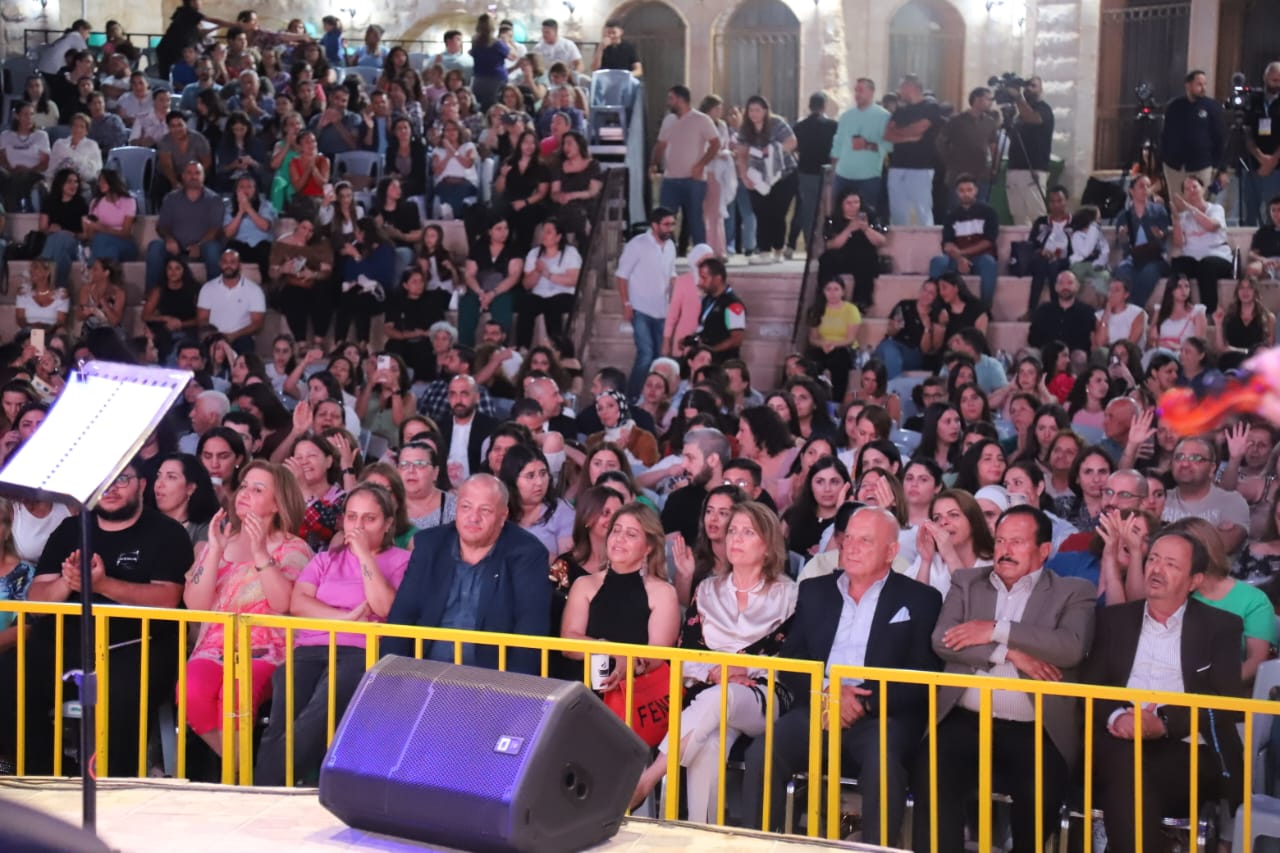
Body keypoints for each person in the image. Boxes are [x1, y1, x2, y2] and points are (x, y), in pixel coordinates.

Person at [742, 507, 942, 843]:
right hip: (820, 705)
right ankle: (753, 846)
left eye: (865, 541)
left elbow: (924, 673)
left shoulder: (920, 599)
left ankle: (877, 850)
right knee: (762, 753)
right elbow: (792, 659)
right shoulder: (815, 590)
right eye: (848, 538)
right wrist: (827, 692)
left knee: (883, 764)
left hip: (881, 714)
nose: (852, 547)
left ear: (891, 552)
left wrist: (863, 702)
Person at [911, 505, 1096, 853]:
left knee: (1040, 795)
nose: (1005, 550)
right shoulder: (968, 582)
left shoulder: (1073, 591)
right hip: (964, 719)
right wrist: (1008, 653)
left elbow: (1070, 647)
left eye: (1017, 542)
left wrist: (997, 628)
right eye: (999, 541)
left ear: (1044, 550)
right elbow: (942, 639)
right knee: (931, 774)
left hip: (1035, 726)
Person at [0, 458, 192, 776]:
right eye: (104, 482)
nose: (111, 489)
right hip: (66, 644)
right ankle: (45, 776)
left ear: (142, 485)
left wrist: (103, 585)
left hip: (138, 646)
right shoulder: (71, 530)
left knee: (119, 696)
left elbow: (167, 598)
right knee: (8, 679)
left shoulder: (167, 533)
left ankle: (114, 785)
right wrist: (68, 582)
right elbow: (36, 600)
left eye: (122, 480)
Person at [632, 501, 797, 821]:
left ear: (767, 545)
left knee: (722, 697)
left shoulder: (789, 594)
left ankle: (648, 778)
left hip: (765, 693)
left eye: (748, 532)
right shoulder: (707, 590)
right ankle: (702, 835)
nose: (736, 538)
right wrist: (713, 673)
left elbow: (791, 654)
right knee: (709, 743)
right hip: (710, 691)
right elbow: (685, 652)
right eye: (733, 531)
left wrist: (742, 670)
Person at [1082, 529, 1244, 853]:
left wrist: (1164, 723)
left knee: (1130, 781)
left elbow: (1224, 701)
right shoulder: (1113, 620)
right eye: (1153, 559)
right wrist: (1119, 716)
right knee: (1126, 765)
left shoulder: (1220, 627)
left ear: (1195, 580)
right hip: (1118, 739)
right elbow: (1090, 685)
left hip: (1187, 748)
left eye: (1171, 564)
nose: (1156, 569)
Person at [255, 483, 411, 786]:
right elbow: (299, 603)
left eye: (369, 519)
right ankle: (272, 784)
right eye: (352, 517)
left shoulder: (401, 560)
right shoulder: (325, 559)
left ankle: (265, 785)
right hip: (311, 645)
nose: (358, 526)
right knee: (285, 702)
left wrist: (364, 555)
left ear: (388, 523)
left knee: (321, 707)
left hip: (361, 649)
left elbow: (383, 606)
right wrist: (345, 618)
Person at [383, 475, 551, 674]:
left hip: (490, 679)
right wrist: (390, 677)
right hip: (425, 672)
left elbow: (530, 631)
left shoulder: (527, 554)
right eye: (466, 507)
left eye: (485, 510)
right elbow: (402, 615)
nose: (473, 518)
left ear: (503, 515)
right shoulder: (430, 546)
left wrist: (512, 688)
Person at [616, 206, 677, 396]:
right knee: (646, 354)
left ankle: (653, 397)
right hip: (640, 308)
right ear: (655, 225)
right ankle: (632, 396)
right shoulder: (637, 244)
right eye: (666, 224)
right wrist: (626, 304)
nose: (670, 228)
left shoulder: (670, 246)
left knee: (659, 358)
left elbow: (671, 274)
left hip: (662, 310)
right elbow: (622, 275)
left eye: (672, 224)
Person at [652, 85, 720, 248]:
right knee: (665, 218)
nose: (668, 102)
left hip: (694, 180)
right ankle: (665, 252)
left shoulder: (702, 120)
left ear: (681, 100)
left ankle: (701, 254)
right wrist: (653, 163)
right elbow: (661, 144)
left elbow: (715, 144)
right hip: (670, 179)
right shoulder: (668, 120)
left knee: (695, 218)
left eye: (671, 98)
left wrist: (701, 165)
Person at [735, 95, 797, 264]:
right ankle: (763, 251)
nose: (754, 114)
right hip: (757, 176)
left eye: (757, 110)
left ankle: (778, 249)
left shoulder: (777, 123)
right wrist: (744, 176)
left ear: (765, 111)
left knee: (777, 213)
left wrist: (772, 151)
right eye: (751, 110)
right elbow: (742, 154)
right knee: (760, 212)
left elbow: (792, 142)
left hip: (783, 175)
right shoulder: (745, 129)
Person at [146, 161, 226, 293]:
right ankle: (151, 295)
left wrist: (199, 245)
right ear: (182, 176)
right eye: (189, 173)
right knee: (155, 247)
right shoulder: (171, 198)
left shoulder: (214, 200)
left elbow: (215, 229)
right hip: (176, 246)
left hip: (204, 246)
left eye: (197, 173)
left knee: (213, 249)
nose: (193, 176)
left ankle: (215, 295)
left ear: (203, 176)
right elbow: (162, 226)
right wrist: (169, 239)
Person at [1162, 435, 1250, 554]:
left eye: (1195, 458)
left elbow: (1222, 547)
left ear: (1212, 468)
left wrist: (1165, 533)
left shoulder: (1232, 501)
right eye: (1179, 457)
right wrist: (1211, 533)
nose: (1185, 464)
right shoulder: (1159, 498)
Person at [928, 175, 1000, 305]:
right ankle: (936, 306)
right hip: (956, 260)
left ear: (976, 191)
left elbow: (989, 241)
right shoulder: (951, 216)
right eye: (962, 190)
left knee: (989, 263)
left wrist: (962, 253)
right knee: (938, 262)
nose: (966, 194)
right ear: (957, 193)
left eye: (969, 190)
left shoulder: (989, 212)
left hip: (980, 259)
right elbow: (947, 245)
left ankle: (985, 307)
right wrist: (959, 259)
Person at [883, 75, 943, 226]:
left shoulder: (930, 107)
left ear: (910, 87)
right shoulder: (901, 110)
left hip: (921, 167)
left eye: (901, 87)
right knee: (897, 210)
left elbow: (919, 128)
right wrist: (908, 137)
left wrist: (899, 131)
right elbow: (887, 134)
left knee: (922, 209)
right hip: (897, 166)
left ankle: (926, 241)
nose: (899, 91)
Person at [1169, 174, 1233, 315]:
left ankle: (1209, 313)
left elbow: (1212, 226)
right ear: (1184, 194)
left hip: (1217, 257)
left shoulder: (1216, 209)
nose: (1191, 191)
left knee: (1207, 265)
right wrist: (1176, 220)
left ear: (1203, 189)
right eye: (1187, 189)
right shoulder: (1183, 217)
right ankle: (1183, 311)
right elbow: (1179, 243)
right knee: (1178, 265)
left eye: (1194, 187)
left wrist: (1189, 207)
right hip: (1193, 258)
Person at [1160, 70, 1225, 200]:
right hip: (1174, 166)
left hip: (1202, 165)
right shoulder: (1174, 106)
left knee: (1200, 203)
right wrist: (1163, 158)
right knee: (1177, 203)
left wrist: (1221, 168)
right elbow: (1165, 135)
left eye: (1205, 84)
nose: (1203, 88)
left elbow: (1220, 138)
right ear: (1188, 85)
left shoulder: (1212, 107)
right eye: (1199, 84)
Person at [787, 92, 837, 258]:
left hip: (806, 172)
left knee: (808, 211)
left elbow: (793, 147)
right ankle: (826, 243)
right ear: (824, 106)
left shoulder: (800, 126)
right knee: (827, 210)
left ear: (810, 106)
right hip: (827, 172)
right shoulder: (833, 126)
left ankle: (811, 245)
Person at [817, 190, 886, 310]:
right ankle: (826, 298)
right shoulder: (833, 220)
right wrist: (849, 229)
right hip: (842, 256)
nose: (853, 206)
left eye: (856, 202)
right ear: (841, 204)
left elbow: (881, 241)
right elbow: (831, 245)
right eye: (848, 203)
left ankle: (860, 302)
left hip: (864, 257)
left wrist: (866, 229)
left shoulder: (871, 217)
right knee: (826, 259)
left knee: (865, 259)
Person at [829, 77, 892, 208]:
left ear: (871, 92)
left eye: (861, 90)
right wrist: (833, 169)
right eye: (856, 90)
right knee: (840, 214)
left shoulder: (884, 117)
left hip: (868, 177)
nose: (857, 94)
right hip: (842, 175)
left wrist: (867, 145)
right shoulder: (846, 116)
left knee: (866, 214)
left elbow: (890, 146)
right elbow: (838, 144)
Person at [1112, 174, 1170, 312]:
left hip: (1155, 258)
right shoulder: (1124, 216)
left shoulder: (1158, 211)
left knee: (1148, 272)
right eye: (1141, 186)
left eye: (1148, 186)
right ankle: (1124, 310)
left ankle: (1135, 310)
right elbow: (1124, 246)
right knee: (1122, 271)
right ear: (1131, 191)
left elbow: (1164, 238)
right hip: (1133, 257)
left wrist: (1160, 235)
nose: (1145, 190)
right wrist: (1123, 237)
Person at [1002, 76, 1055, 225]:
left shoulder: (1044, 109)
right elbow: (1015, 137)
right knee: (1018, 216)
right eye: (1026, 86)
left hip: (1034, 168)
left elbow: (1033, 118)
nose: (1028, 89)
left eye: (1033, 86)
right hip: (1014, 167)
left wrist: (1018, 98)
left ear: (1041, 89)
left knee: (1036, 215)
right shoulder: (1019, 113)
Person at [196, 249, 266, 355]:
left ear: (240, 265)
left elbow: (257, 323)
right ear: (220, 264)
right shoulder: (208, 288)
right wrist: (216, 336)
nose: (228, 265)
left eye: (232, 262)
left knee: (245, 345)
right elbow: (202, 319)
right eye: (225, 262)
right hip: (214, 337)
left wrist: (233, 335)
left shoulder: (254, 290)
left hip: (241, 337)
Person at [937, 86, 999, 202]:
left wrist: (994, 168)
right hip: (958, 174)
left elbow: (993, 147)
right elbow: (941, 142)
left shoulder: (990, 122)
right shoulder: (956, 120)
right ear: (977, 99)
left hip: (982, 174)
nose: (991, 102)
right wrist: (949, 160)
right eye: (988, 99)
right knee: (958, 208)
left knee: (981, 207)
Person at [805, 280, 860, 403]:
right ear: (823, 292)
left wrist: (832, 344)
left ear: (843, 292)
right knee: (811, 360)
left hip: (844, 347)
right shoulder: (816, 309)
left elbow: (850, 338)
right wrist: (823, 345)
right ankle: (812, 399)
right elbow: (812, 339)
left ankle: (836, 403)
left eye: (836, 289)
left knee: (839, 359)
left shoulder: (851, 309)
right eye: (828, 289)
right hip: (822, 347)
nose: (832, 293)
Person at [1028, 270, 1097, 355]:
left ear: (1077, 286)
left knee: (1079, 356)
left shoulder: (1087, 312)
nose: (1065, 287)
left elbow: (1088, 341)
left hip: (1074, 354)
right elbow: (1033, 337)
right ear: (1055, 287)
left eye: (1069, 283)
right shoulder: (1043, 310)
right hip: (1046, 353)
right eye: (1061, 283)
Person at [0, 102, 50, 213]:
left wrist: (28, 170)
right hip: (10, 173)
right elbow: (2, 158)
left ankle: (12, 213)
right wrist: (11, 169)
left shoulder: (41, 136)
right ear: (17, 116)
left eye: (31, 114)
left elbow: (44, 163)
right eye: (25, 114)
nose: (29, 118)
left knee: (19, 180)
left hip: (33, 174)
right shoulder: (5, 135)